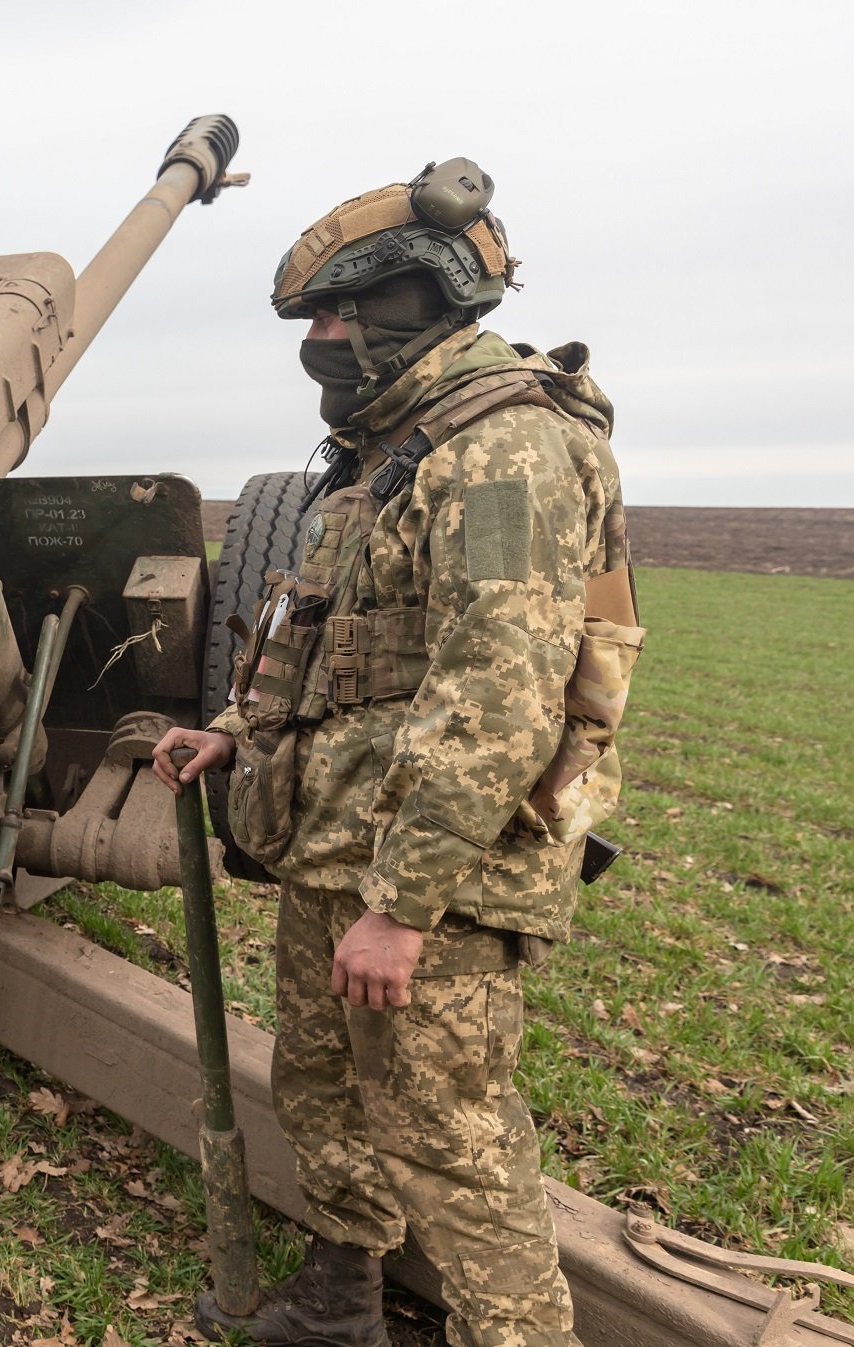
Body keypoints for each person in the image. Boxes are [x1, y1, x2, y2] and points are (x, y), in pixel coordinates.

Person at [155, 160, 633, 1347]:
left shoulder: (507, 447)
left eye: (334, 312)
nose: (318, 338)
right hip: (338, 840)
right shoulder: (382, 453)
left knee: (448, 1137)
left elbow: (501, 688)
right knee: (322, 1092)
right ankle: (342, 1300)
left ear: (415, 303)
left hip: (432, 873)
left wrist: (404, 906)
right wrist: (237, 733)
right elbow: (324, 647)